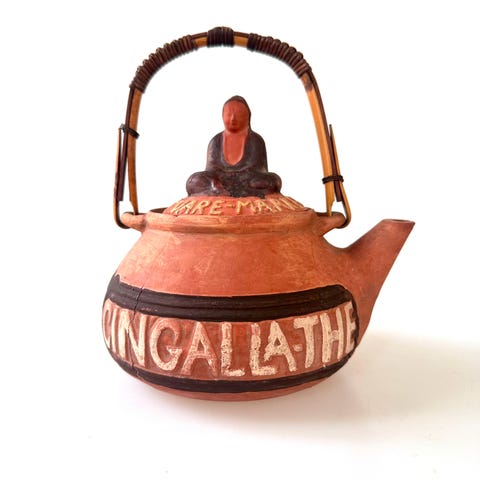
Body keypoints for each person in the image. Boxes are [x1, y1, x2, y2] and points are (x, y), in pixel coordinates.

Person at [186, 96, 282, 197]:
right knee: (194, 180)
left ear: (248, 117)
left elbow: (259, 169)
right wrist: (215, 181)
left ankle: (228, 191)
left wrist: (242, 177)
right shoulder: (216, 141)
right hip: (220, 181)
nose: (233, 118)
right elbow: (211, 170)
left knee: (273, 180)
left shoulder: (256, 140)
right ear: (222, 116)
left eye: (239, 115)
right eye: (228, 114)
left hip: (248, 180)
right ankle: (218, 189)